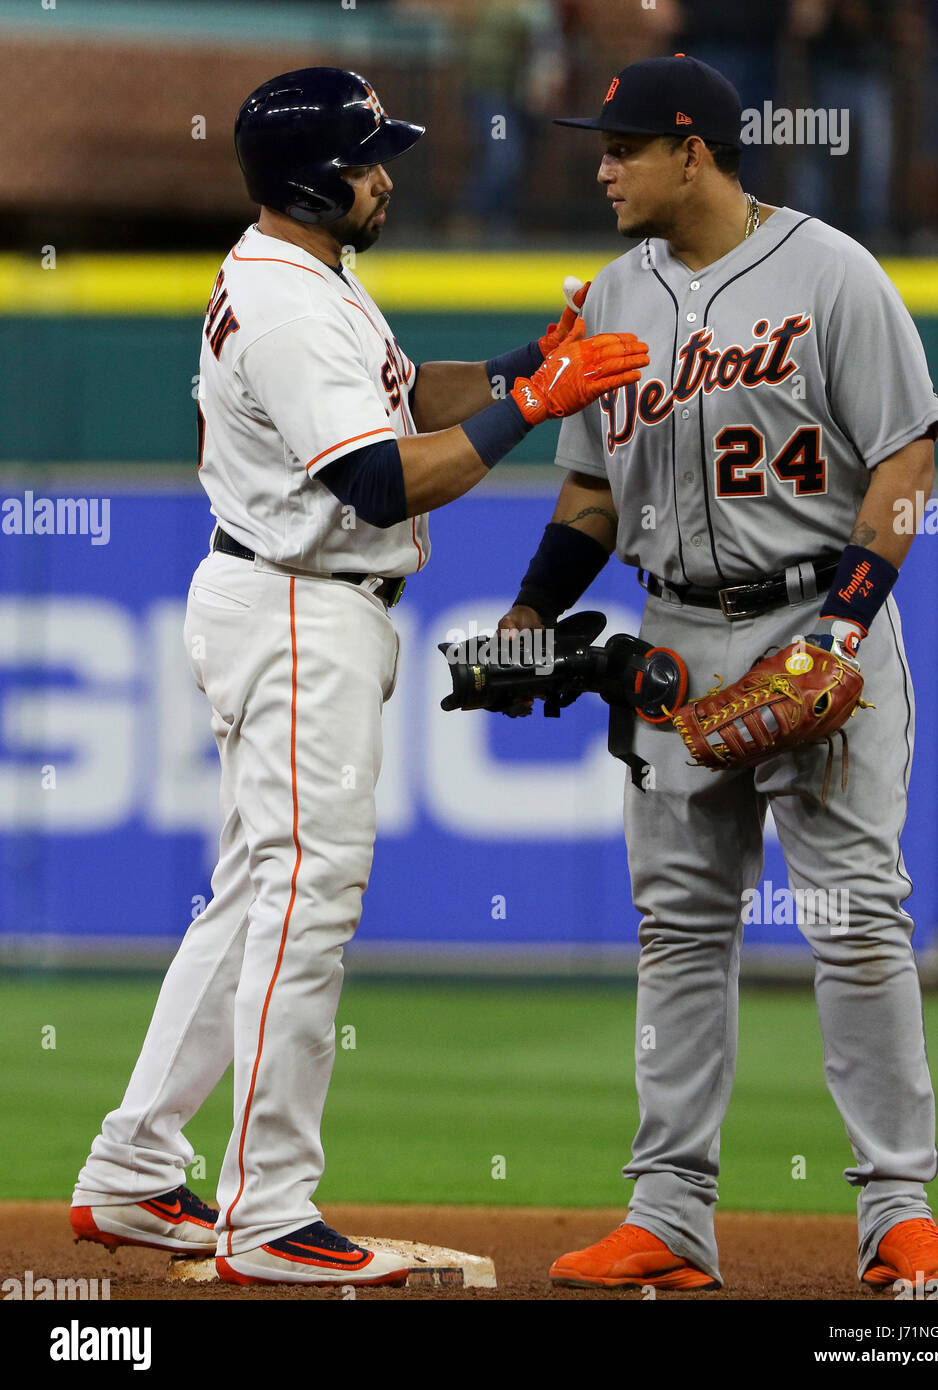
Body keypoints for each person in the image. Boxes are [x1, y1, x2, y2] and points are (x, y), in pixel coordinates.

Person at [69, 66, 647, 1288]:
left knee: (252, 900)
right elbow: (381, 480)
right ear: (315, 176)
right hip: (296, 604)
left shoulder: (304, 279)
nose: (387, 171)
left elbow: (404, 400)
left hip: (294, 601)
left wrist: (520, 367)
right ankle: (270, 1213)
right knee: (304, 901)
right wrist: (537, 405)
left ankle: (131, 1170)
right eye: (370, 154)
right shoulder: (285, 301)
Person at [497, 55, 938, 1293]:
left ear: (694, 148)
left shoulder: (833, 273)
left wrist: (846, 631)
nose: (601, 165)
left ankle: (897, 1214)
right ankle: (667, 1215)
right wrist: (527, 615)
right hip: (671, 628)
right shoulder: (612, 292)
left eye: (624, 146)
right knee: (680, 928)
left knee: (858, 920)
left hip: (817, 612)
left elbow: (906, 463)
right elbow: (594, 488)